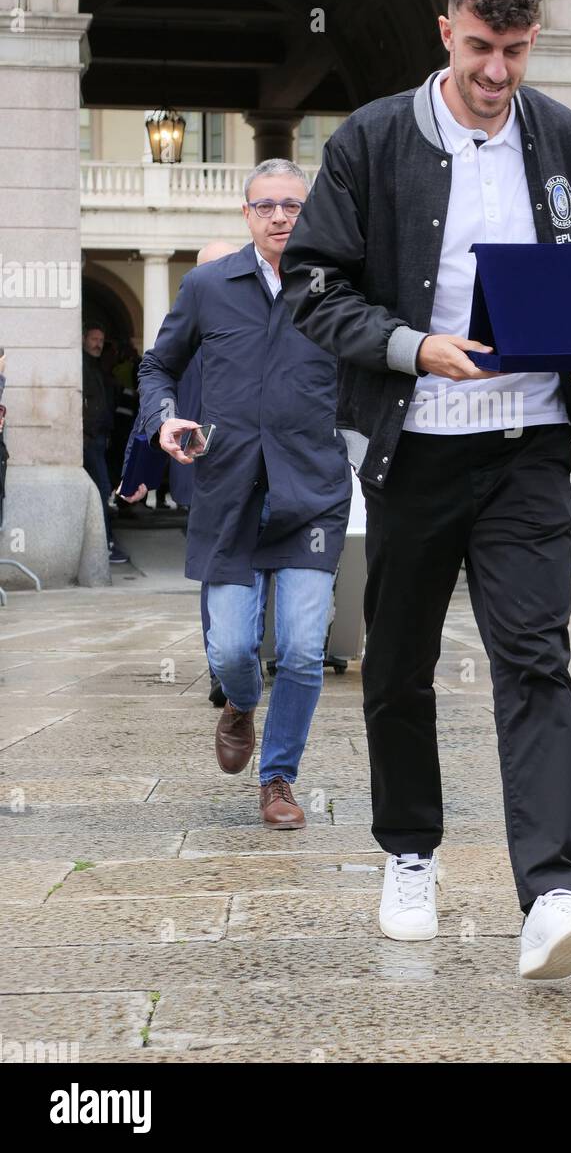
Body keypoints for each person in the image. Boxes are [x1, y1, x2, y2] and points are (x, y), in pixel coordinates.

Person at [281, 0, 571, 978]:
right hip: (417, 446)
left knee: (536, 661)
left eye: (516, 51)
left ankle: (555, 893)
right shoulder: (371, 140)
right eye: (481, 47)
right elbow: (313, 284)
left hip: (525, 447)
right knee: (397, 665)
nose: (497, 71)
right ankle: (410, 851)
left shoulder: (566, 139)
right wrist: (411, 346)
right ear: (446, 31)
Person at [137, 161, 351, 829]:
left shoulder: (336, 288)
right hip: (229, 490)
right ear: (246, 214)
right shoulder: (207, 285)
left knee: (301, 648)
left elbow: (375, 361)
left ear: (308, 212)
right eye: (267, 206)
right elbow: (158, 366)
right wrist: (164, 416)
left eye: (293, 205)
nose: (281, 216)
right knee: (232, 651)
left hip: (310, 489)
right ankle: (237, 703)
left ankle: (278, 779)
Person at [121, 240, 240, 708]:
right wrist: (141, 473)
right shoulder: (188, 326)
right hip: (204, 467)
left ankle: (246, 656)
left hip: (266, 468)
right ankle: (222, 666)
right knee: (218, 569)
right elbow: (158, 395)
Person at [82, 323, 129, 565]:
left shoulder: (98, 367)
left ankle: (104, 542)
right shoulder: (80, 365)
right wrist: (87, 434)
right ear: (83, 339)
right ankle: (105, 544)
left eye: (101, 339)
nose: (98, 343)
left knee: (103, 489)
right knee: (101, 489)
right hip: (89, 440)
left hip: (100, 438)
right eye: (93, 338)